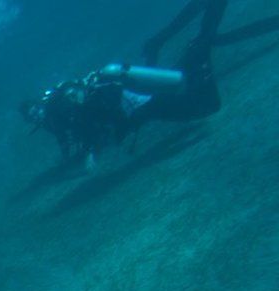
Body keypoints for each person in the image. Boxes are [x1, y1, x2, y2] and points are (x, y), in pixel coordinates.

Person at [20, 0, 278, 167]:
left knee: (206, 98)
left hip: (142, 102)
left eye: (35, 112)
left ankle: (205, 25)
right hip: (141, 100)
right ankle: (195, 31)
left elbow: (94, 119)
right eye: (34, 116)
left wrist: (90, 150)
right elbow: (88, 125)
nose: (38, 116)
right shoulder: (61, 113)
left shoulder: (63, 110)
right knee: (192, 65)